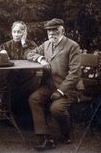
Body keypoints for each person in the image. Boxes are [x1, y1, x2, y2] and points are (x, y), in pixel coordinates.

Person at [27, 18, 83, 151]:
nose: (51, 33)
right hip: (50, 86)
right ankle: (45, 138)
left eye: (55, 30)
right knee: (34, 99)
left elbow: (75, 73)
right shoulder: (46, 44)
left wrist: (60, 91)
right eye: (49, 31)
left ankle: (66, 133)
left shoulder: (72, 46)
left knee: (55, 108)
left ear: (62, 30)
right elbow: (29, 53)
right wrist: (40, 59)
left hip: (69, 88)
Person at [0, 21, 38, 129]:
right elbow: (2, 60)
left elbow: (31, 56)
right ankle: (12, 121)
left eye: (19, 32)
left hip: (27, 78)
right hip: (12, 79)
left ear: (24, 33)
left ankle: (26, 123)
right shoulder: (5, 46)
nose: (16, 34)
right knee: (13, 92)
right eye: (14, 32)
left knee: (24, 91)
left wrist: (24, 43)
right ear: (11, 32)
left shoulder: (31, 45)